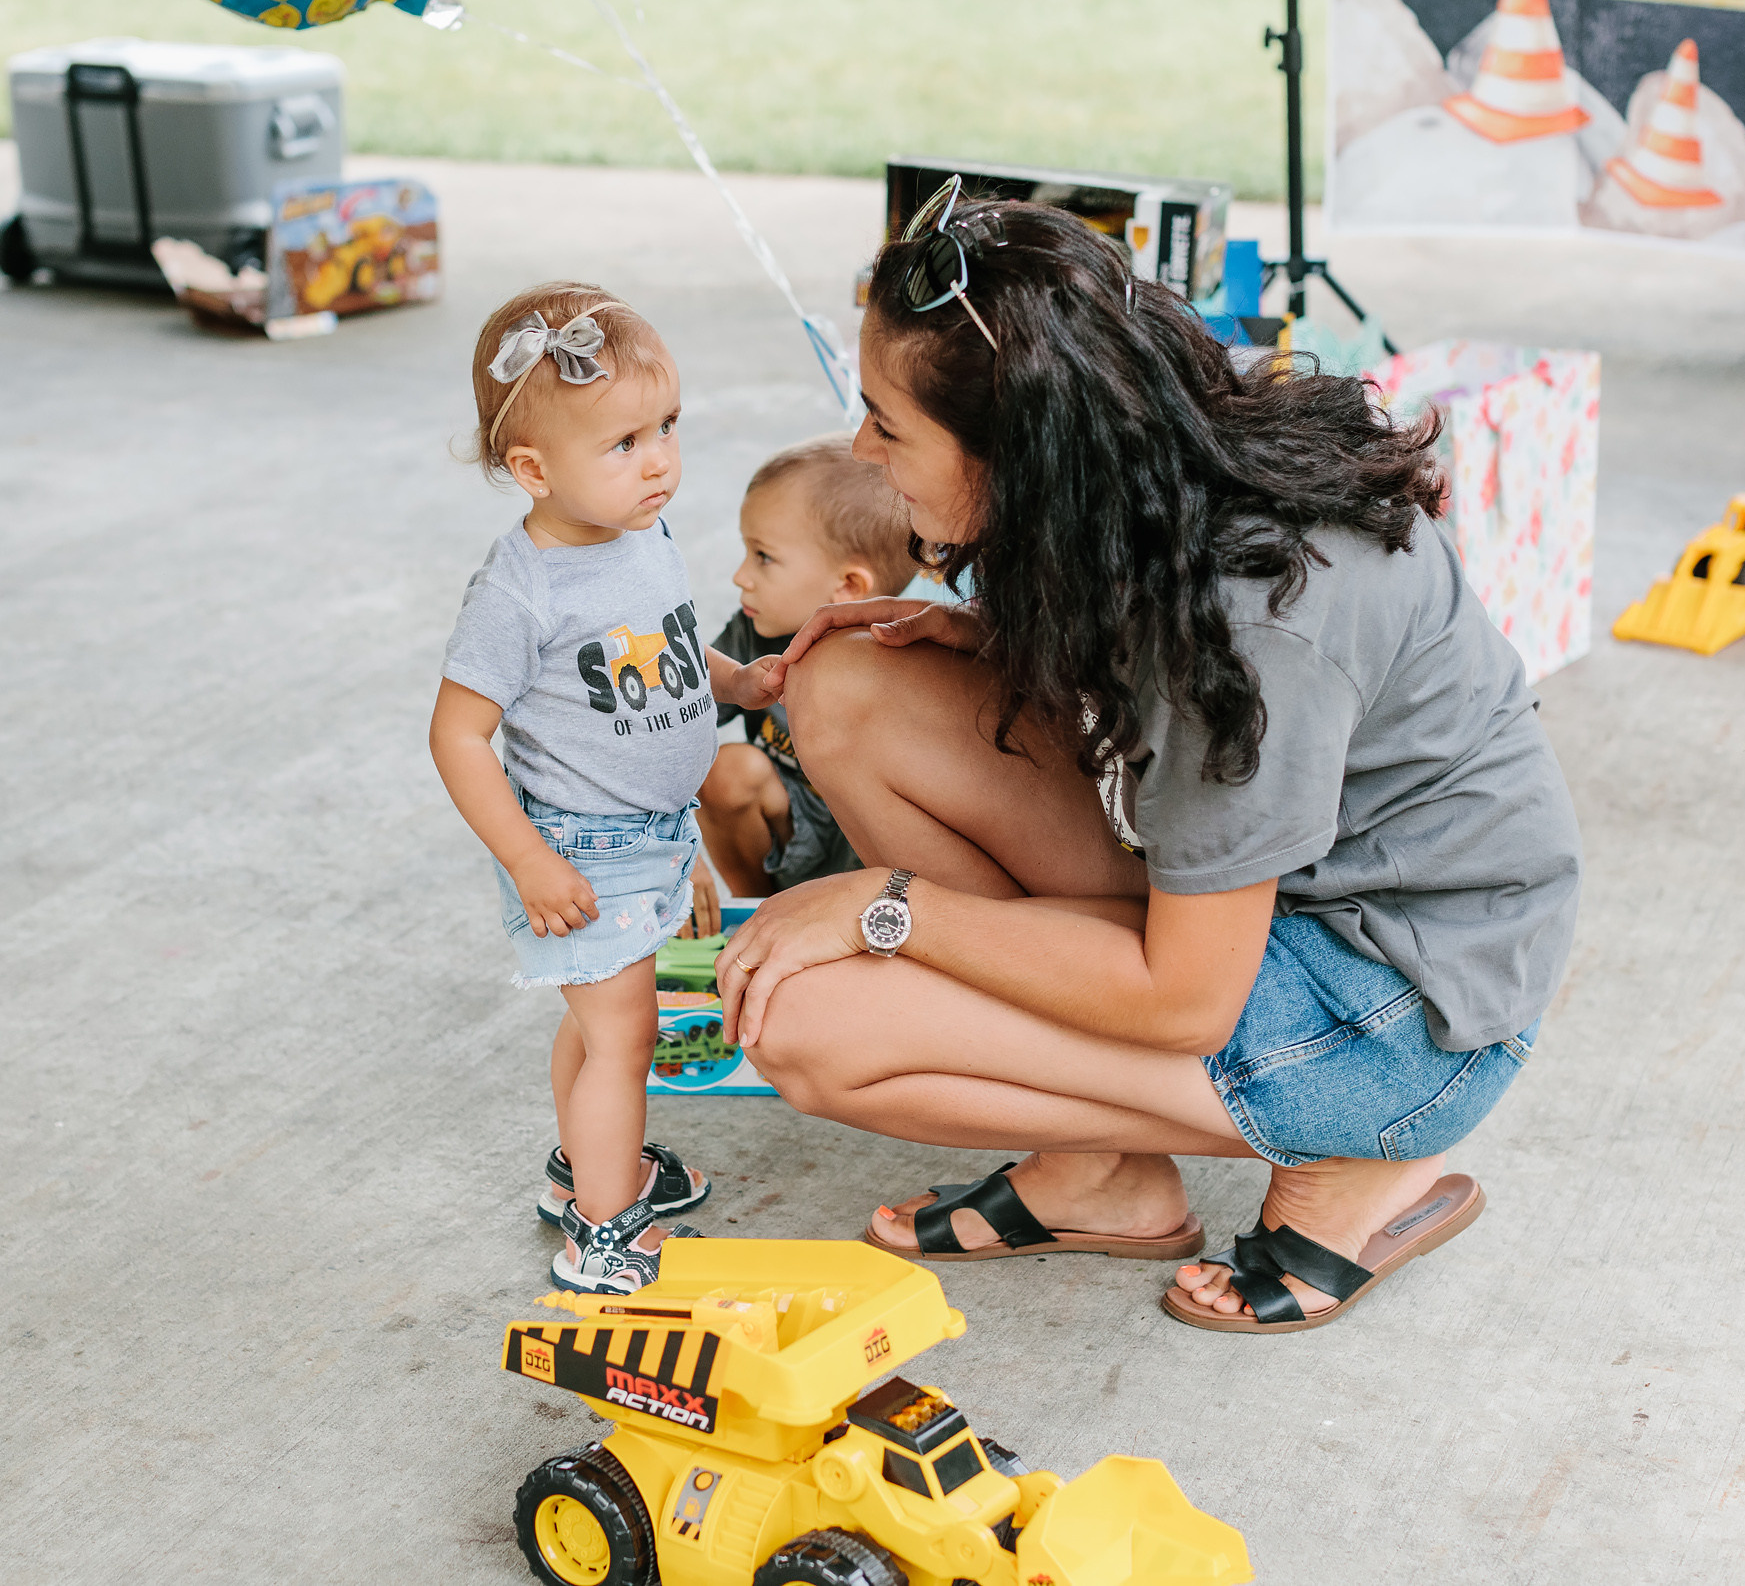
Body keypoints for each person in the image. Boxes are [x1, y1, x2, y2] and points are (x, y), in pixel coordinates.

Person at [718, 186, 1583, 1333]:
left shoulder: (1250, 619)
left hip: (1402, 1011)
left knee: (810, 1031)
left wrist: (887, 909)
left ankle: (1359, 1163)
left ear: (1019, 449)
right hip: (1270, 908)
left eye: (888, 425)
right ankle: (1100, 1169)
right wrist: (983, 634)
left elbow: (1184, 996)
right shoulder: (1149, 483)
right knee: (853, 688)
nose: (866, 457)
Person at [428, 282, 786, 1294]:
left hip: (652, 835)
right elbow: (457, 736)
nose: (660, 459)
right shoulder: (521, 589)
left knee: (593, 1029)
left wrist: (737, 682)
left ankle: (586, 1169)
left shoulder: (641, 532)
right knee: (623, 1041)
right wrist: (527, 860)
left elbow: (667, 651)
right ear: (532, 470)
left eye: (665, 426)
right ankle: (607, 1229)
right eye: (623, 443)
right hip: (581, 850)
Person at [702, 435, 923, 898]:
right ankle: (752, 908)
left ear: (847, 585)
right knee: (725, 770)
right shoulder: (752, 633)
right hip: (791, 826)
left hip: (868, 855)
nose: (740, 576)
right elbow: (682, 705)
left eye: (763, 557)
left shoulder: (900, 661)